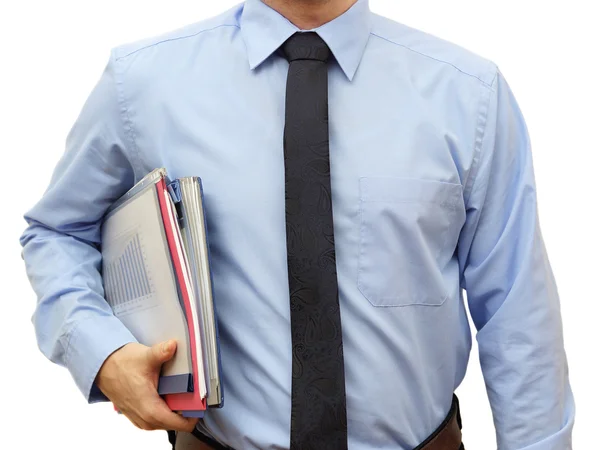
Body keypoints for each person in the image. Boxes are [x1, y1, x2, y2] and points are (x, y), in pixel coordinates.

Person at [19, 0, 575, 449]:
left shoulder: (467, 94)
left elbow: (516, 312)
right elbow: (59, 232)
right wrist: (102, 353)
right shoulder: (141, 84)